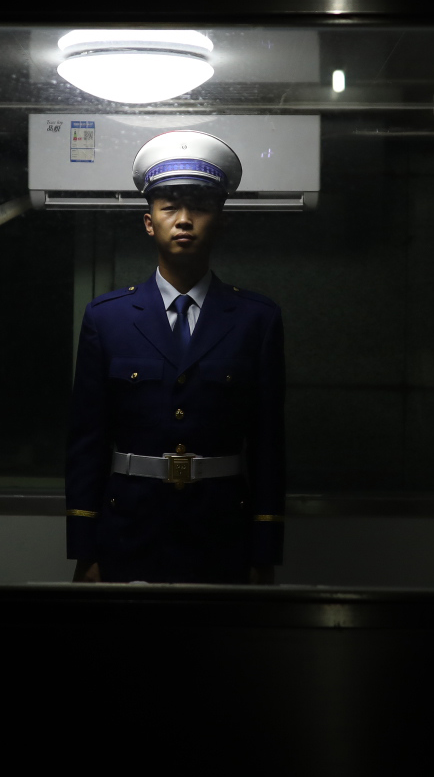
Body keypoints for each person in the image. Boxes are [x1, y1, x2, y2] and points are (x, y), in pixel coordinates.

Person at [66, 130, 286, 584]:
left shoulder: (256, 319)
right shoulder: (107, 318)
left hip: (221, 531)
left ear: (220, 221)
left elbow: (270, 444)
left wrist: (264, 551)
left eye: (199, 207)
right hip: (129, 528)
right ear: (149, 223)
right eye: (169, 207)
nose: (184, 220)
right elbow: (87, 441)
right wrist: (84, 550)